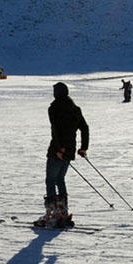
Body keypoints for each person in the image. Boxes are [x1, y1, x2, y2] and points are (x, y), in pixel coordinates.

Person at [35, 82, 89, 229]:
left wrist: (59, 149)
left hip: (57, 149)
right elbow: (85, 128)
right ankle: (62, 213)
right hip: (70, 150)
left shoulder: (54, 108)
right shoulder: (75, 108)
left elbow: (56, 130)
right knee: (60, 179)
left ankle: (52, 215)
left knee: (51, 180)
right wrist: (83, 148)